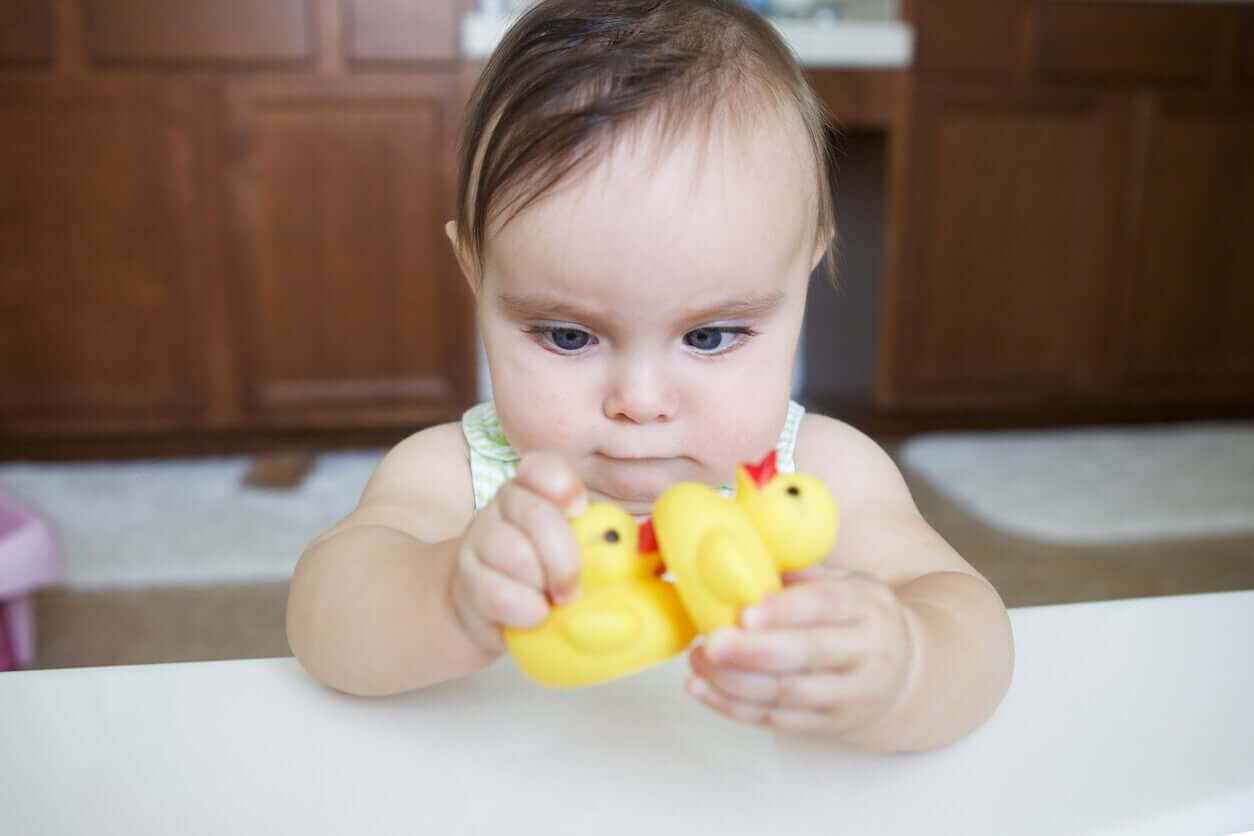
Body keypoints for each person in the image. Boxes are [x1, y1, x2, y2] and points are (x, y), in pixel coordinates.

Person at [287, 0, 1013, 752]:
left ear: (807, 270)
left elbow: (974, 629)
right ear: (477, 274)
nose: (639, 404)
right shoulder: (459, 476)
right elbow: (322, 621)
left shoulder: (822, 477)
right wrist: (445, 595)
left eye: (709, 335)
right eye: (568, 336)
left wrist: (904, 666)